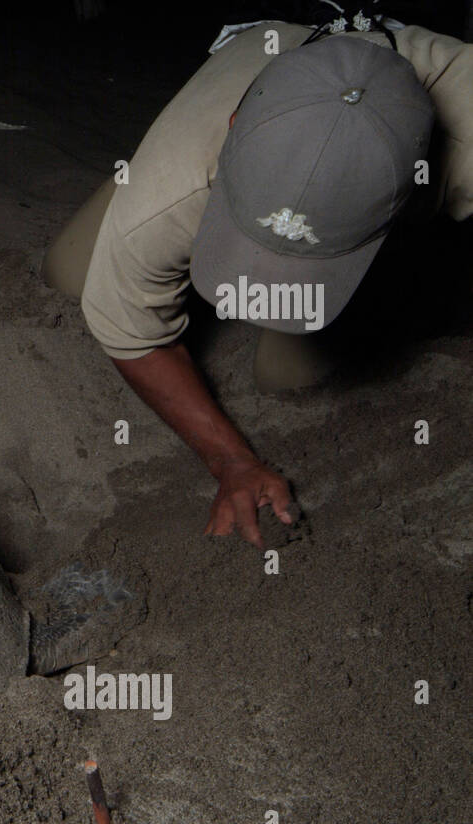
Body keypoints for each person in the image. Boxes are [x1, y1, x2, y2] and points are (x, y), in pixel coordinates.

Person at [42, 17, 472, 547]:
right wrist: (232, 462)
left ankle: (407, 279)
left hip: (410, 207)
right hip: (234, 108)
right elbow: (130, 331)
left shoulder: (464, 137)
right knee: (73, 273)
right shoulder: (182, 173)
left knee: (288, 373)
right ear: (235, 121)